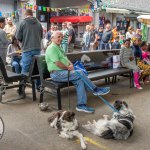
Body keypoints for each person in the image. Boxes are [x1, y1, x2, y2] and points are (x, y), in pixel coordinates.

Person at [45, 31, 110, 113]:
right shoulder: (52, 48)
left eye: (62, 37)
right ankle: (95, 90)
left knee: (79, 81)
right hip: (57, 74)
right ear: (52, 38)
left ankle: (81, 105)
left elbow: (65, 58)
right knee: (80, 73)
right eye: (58, 37)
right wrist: (68, 67)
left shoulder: (59, 47)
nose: (60, 39)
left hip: (64, 72)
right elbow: (57, 63)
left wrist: (70, 64)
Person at [15, 9, 43, 90]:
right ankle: (39, 86)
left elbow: (18, 37)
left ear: (25, 14)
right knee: (37, 68)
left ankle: (21, 89)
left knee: (25, 69)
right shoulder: (38, 23)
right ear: (32, 14)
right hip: (37, 49)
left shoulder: (22, 23)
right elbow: (41, 36)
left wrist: (24, 42)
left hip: (27, 49)